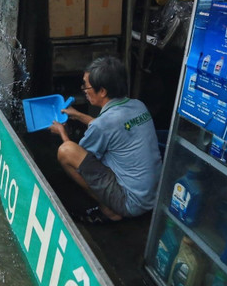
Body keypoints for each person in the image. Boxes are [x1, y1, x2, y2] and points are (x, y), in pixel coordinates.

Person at [50, 56, 162, 223]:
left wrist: (62, 132)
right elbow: (112, 128)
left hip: (130, 203)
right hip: (154, 196)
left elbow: (78, 156)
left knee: (65, 151)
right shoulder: (138, 106)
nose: (84, 90)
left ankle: (109, 209)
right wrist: (79, 115)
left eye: (86, 86)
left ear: (102, 91)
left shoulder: (104, 124)